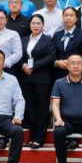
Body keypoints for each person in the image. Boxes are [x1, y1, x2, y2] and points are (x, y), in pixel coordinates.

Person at [20, 15, 56, 149]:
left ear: (43, 25)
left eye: (38, 23)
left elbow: (51, 57)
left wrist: (34, 66)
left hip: (42, 79)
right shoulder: (23, 39)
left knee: (42, 109)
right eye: (33, 23)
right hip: (26, 78)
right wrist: (23, 65)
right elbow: (19, 55)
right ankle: (33, 136)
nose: (35, 26)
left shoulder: (48, 39)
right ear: (30, 25)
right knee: (30, 109)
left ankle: (40, 138)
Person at [51, 7, 82, 81]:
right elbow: (51, 53)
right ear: (62, 18)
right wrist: (56, 62)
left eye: (71, 15)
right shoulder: (57, 35)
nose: (68, 18)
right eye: (66, 15)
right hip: (59, 74)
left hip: (77, 74)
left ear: (76, 18)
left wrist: (72, 62)